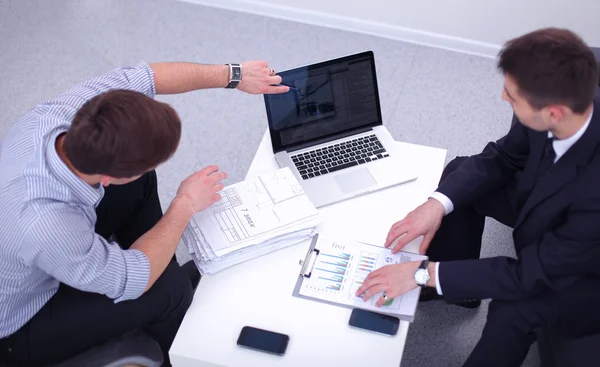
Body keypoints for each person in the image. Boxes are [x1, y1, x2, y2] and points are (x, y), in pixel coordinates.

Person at [0, 60, 289, 366]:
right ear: (108, 177)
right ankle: (177, 350)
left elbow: (152, 75)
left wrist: (235, 75)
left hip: (34, 250)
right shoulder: (47, 224)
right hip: (18, 324)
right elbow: (131, 277)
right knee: (171, 290)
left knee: (139, 185)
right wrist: (185, 204)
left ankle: (162, 280)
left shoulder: (68, 114)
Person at [357, 28, 600, 366]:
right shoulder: (561, 109)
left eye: (512, 96)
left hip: (585, 273)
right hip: (545, 201)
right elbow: (505, 157)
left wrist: (423, 273)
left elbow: (526, 275)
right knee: (461, 173)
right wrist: (436, 203)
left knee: (512, 308)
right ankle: (462, 293)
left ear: (553, 114)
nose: (503, 98)